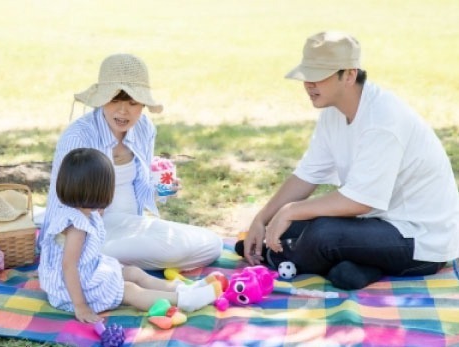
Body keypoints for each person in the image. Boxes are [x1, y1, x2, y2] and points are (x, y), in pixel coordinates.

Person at [237, 31, 459, 290]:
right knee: (292, 229)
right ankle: (357, 267)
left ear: (350, 74)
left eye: (319, 76)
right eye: (307, 75)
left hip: (421, 240)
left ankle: (283, 257)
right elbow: (307, 175)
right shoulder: (334, 111)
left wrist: (290, 211)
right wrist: (262, 219)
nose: (309, 84)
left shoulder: (382, 121)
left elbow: (360, 202)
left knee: (322, 234)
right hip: (375, 225)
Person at [39, 53, 223, 270]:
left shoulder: (145, 129)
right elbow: (64, 203)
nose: (122, 111)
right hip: (82, 230)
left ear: (143, 104)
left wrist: (162, 190)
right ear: (101, 100)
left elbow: (142, 186)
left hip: (129, 225)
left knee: (211, 243)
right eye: (114, 100)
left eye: (132, 102)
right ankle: (80, 258)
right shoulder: (78, 136)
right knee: (171, 248)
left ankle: (106, 264)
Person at [38, 148, 222, 322]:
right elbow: (68, 266)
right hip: (72, 291)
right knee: (129, 290)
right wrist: (80, 306)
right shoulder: (76, 227)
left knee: (133, 271)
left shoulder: (82, 213)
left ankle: (183, 288)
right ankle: (183, 300)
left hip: (88, 272)